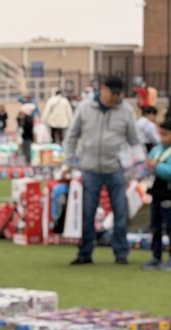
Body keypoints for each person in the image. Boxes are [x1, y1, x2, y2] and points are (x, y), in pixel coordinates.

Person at [63, 76, 141, 265]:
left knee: (120, 212)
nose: (115, 98)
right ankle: (85, 253)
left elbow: (134, 141)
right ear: (103, 89)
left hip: (116, 169)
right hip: (89, 168)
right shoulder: (85, 108)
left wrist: (136, 168)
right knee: (87, 212)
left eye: (118, 94)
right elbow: (72, 136)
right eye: (112, 93)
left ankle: (121, 253)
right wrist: (68, 162)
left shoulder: (126, 111)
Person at [143, 119, 171, 270]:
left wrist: (157, 166)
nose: (162, 138)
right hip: (156, 194)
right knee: (156, 227)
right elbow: (148, 163)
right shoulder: (157, 149)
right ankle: (156, 256)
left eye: (165, 134)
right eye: (160, 134)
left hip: (168, 195)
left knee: (170, 228)